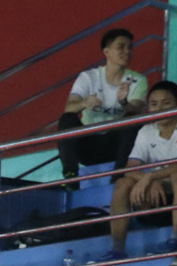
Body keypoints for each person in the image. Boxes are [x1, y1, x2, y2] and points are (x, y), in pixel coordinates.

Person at [107, 81, 177, 261]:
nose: (160, 109)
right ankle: (117, 249)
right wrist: (149, 180)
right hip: (163, 194)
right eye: (154, 104)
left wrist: (150, 177)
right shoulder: (146, 131)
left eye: (166, 103)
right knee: (123, 182)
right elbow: (130, 168)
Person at [59, 27, 148, 187]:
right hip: (89, 144)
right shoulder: (88, 77)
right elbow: (69, 108)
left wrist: (124, 102)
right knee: (67, 119)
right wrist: (84, 103)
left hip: (116, 145)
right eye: (121, 47)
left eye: (130, 47)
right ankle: (70, 176)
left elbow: (136, 109)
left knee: (132, 120)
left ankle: (118, 176)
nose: (127, 51)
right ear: (107, 52)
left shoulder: (138, 80)